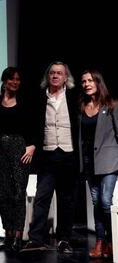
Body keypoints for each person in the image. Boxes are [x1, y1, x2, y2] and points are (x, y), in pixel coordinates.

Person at [21, 61, 79, 254]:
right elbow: (30, 123)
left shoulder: (74, 97)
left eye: (59, 73)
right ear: (48, 76)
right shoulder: (39, 97)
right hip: (47, 155)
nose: (55, 76)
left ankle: (64, 239)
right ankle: (36, 238)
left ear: (65, 77)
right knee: (42, 197)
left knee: (66, 200)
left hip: (69, 155)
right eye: (52, 73)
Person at [0, 67, 36, 252]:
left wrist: (32, 145)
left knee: (19, 192)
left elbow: (34, 123)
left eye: (18, 79)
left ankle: (19, 234)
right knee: (3, 193)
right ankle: (8, 233)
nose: (15, 82)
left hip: (20, 147)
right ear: (4, 81)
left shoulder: (25, 101)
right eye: (11, 79)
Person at [78, 69, 118, 259]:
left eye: (90, 80)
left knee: (105, 202)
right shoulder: (81, 106)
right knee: (95, 202)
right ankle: (100, 243)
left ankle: (112, 241)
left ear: (98, 82)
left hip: (109, 160)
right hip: (89, 161)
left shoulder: (111, 104)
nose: (86, 84)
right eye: (84, 81)